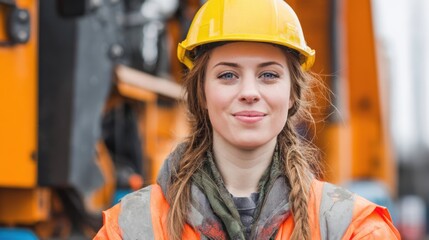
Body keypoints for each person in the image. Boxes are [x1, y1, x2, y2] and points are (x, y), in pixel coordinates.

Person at [94, 0, 400, 239]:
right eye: (228, 75)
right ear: (201, 92)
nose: (249, 92)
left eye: (268, 75)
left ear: (292, 93)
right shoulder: (130, 229)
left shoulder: (353, 229)